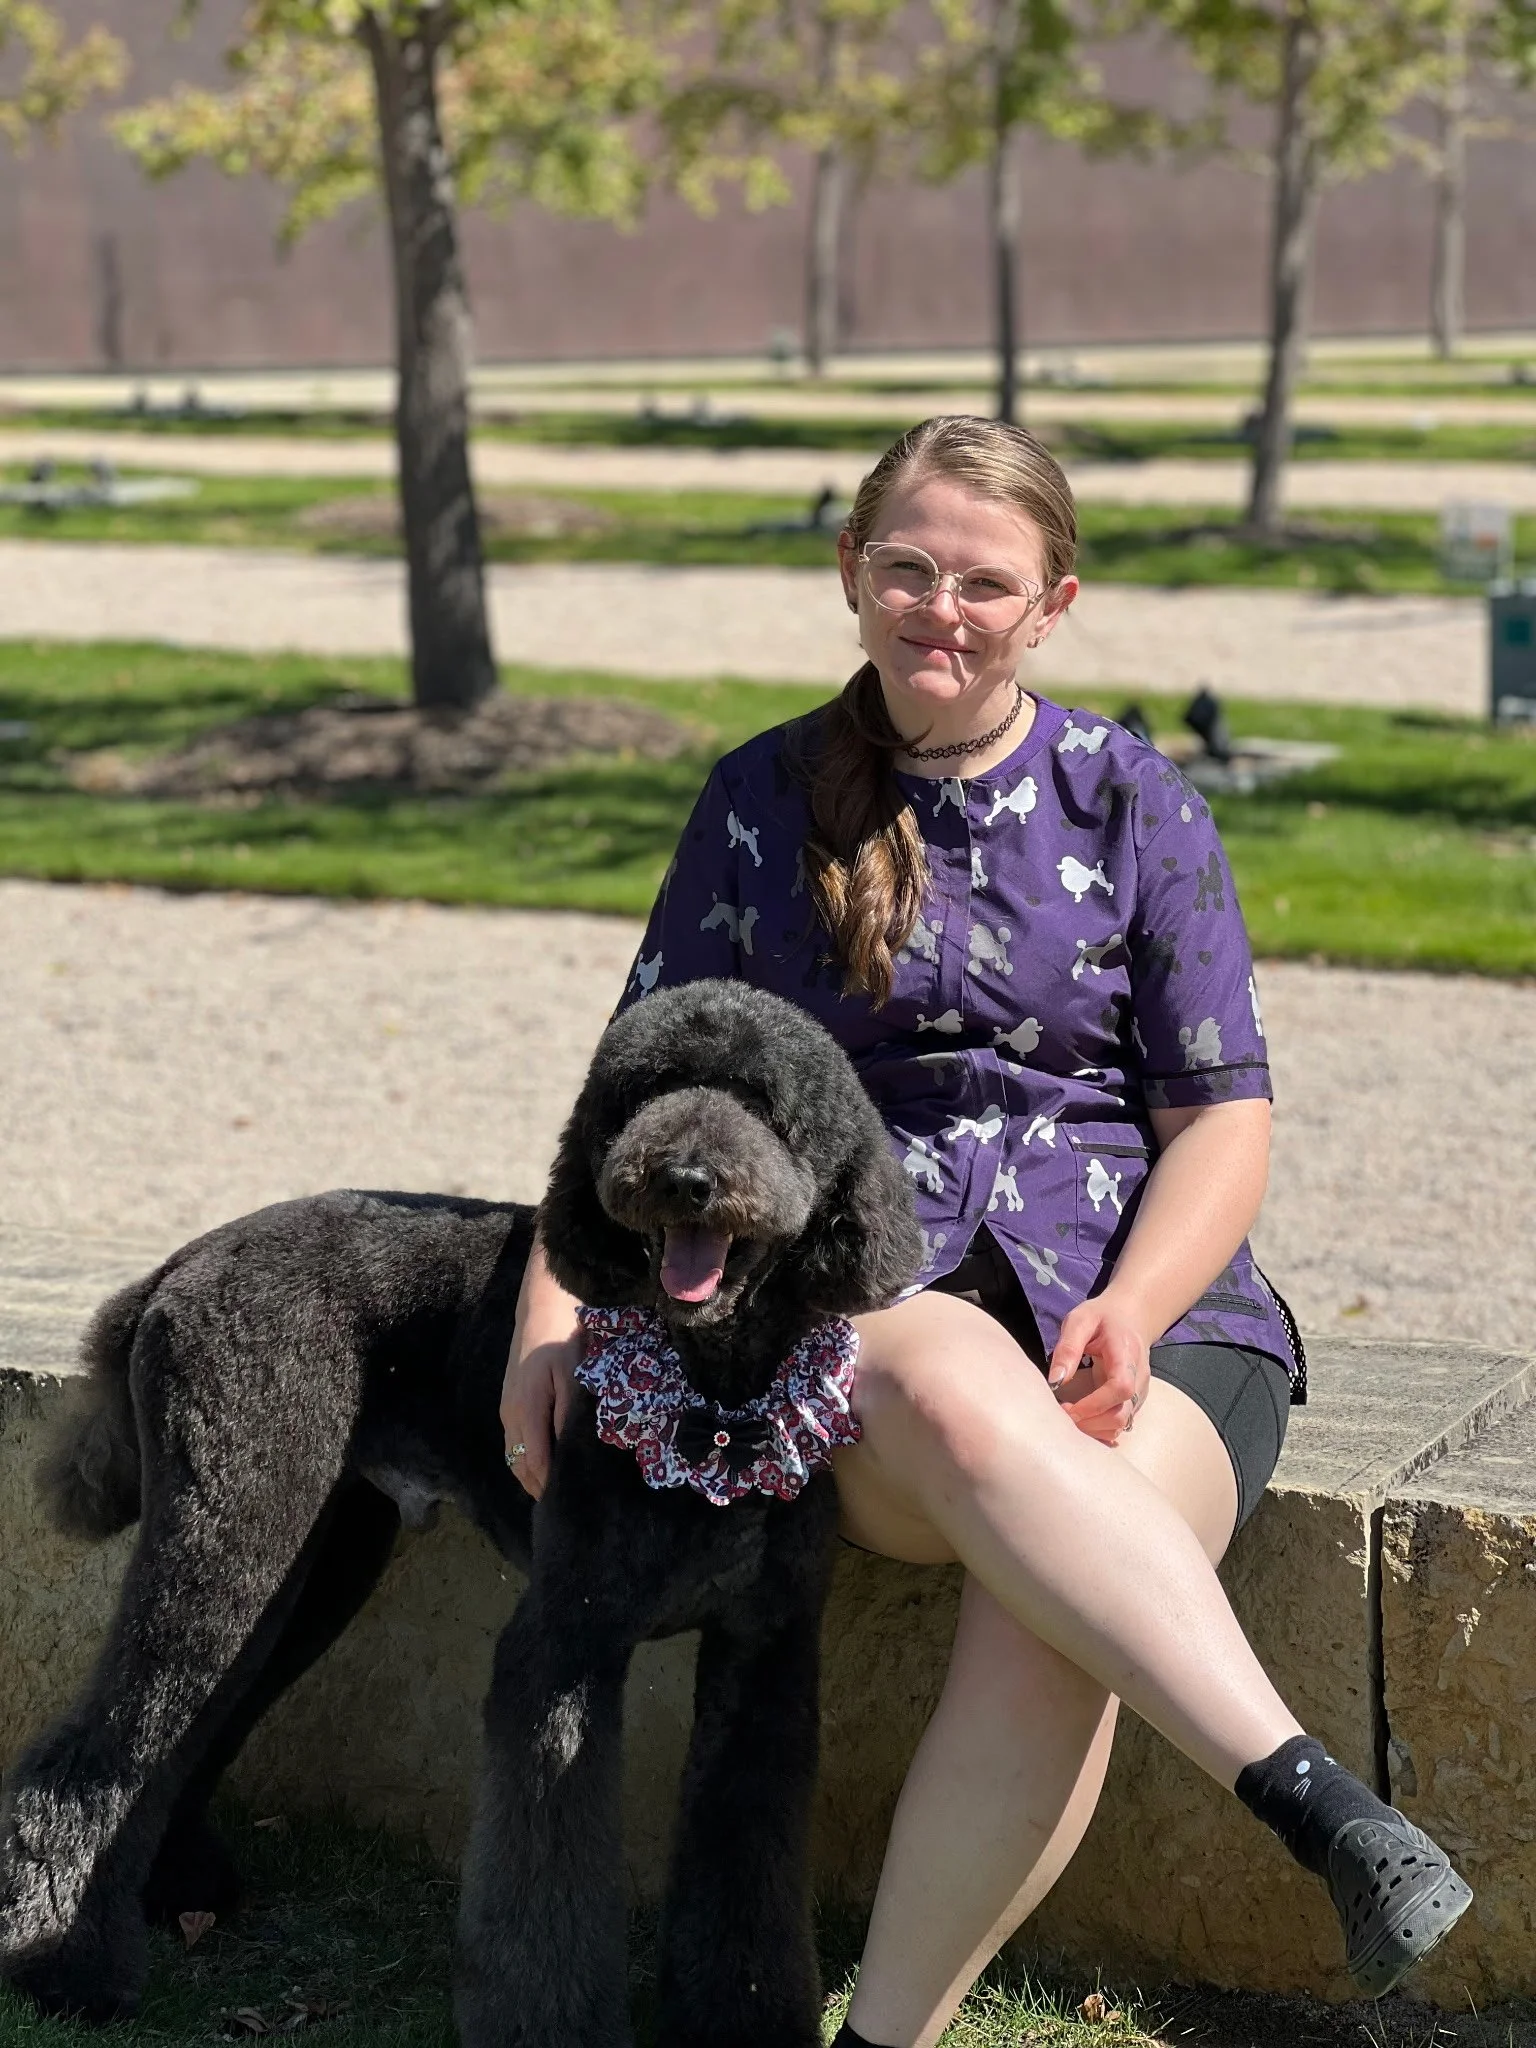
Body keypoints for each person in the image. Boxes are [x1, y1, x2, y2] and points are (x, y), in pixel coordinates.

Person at [501, 416, 1472, 2046]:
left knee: (1061, 1610)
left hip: (1155, 1318)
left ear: (1052, 605)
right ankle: (1314, 1800)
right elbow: (634, 1097)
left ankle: (883, 2041)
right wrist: (549, 1326)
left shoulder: (1133, 796)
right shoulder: (758, 803)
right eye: (907, 568)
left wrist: (1143, 1306)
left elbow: (1222, 1111)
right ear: (851, 573)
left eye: (984, 581)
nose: (938, 608)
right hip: (875, 1324)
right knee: (957, 1378)